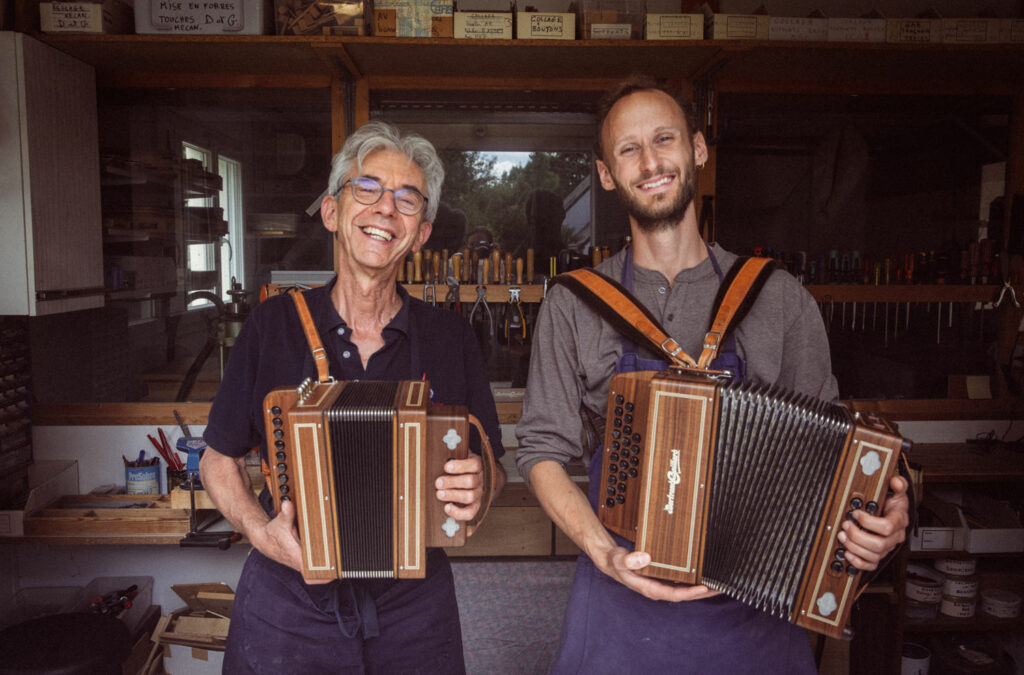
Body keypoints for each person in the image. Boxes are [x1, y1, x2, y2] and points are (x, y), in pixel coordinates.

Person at [514, 76, 910, 673]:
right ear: (606, 173)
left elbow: (836, 451)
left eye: (664, 139)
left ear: (697, 149)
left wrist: (888, 511)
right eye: (628, 149)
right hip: (619, 598)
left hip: (755, 607)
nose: (650, 162)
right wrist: (603, 552)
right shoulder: (573, 304)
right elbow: (540, 448)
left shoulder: (778, 297)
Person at [201, 120, 506, 674]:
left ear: (421, 232)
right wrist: (259, 532)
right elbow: (218, 460)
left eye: (407, 198)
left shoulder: (449, 337)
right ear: (332, 212)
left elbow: (493, 466)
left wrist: (480, 488)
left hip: (414, 607)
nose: (385, 209)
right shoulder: (273, 325)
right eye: (366, 189)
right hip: (287, 599)